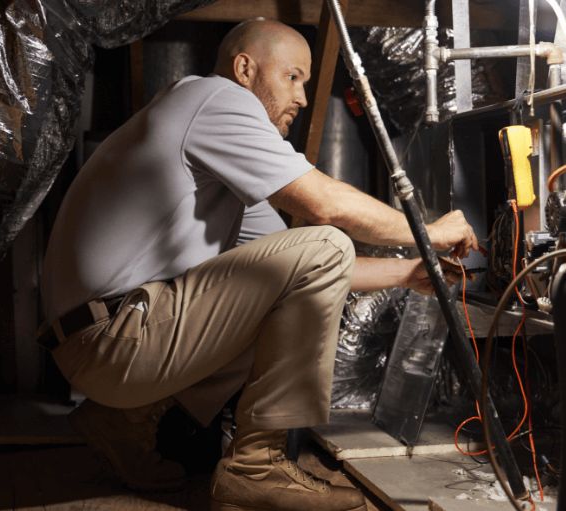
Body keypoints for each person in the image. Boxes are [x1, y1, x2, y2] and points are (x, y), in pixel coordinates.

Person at [40, 18, 478, 511]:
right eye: (293, 77)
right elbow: (323, 211)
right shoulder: (213, 98)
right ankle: (256, 466)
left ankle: (121, 421)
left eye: (306, 84)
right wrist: (431, 230)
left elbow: (305, 274)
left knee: (298, 269)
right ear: (245, 69)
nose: (304, 98)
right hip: (113, 338)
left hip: (102, 341)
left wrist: (407, 272)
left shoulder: (221, 164)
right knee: (326, 241)